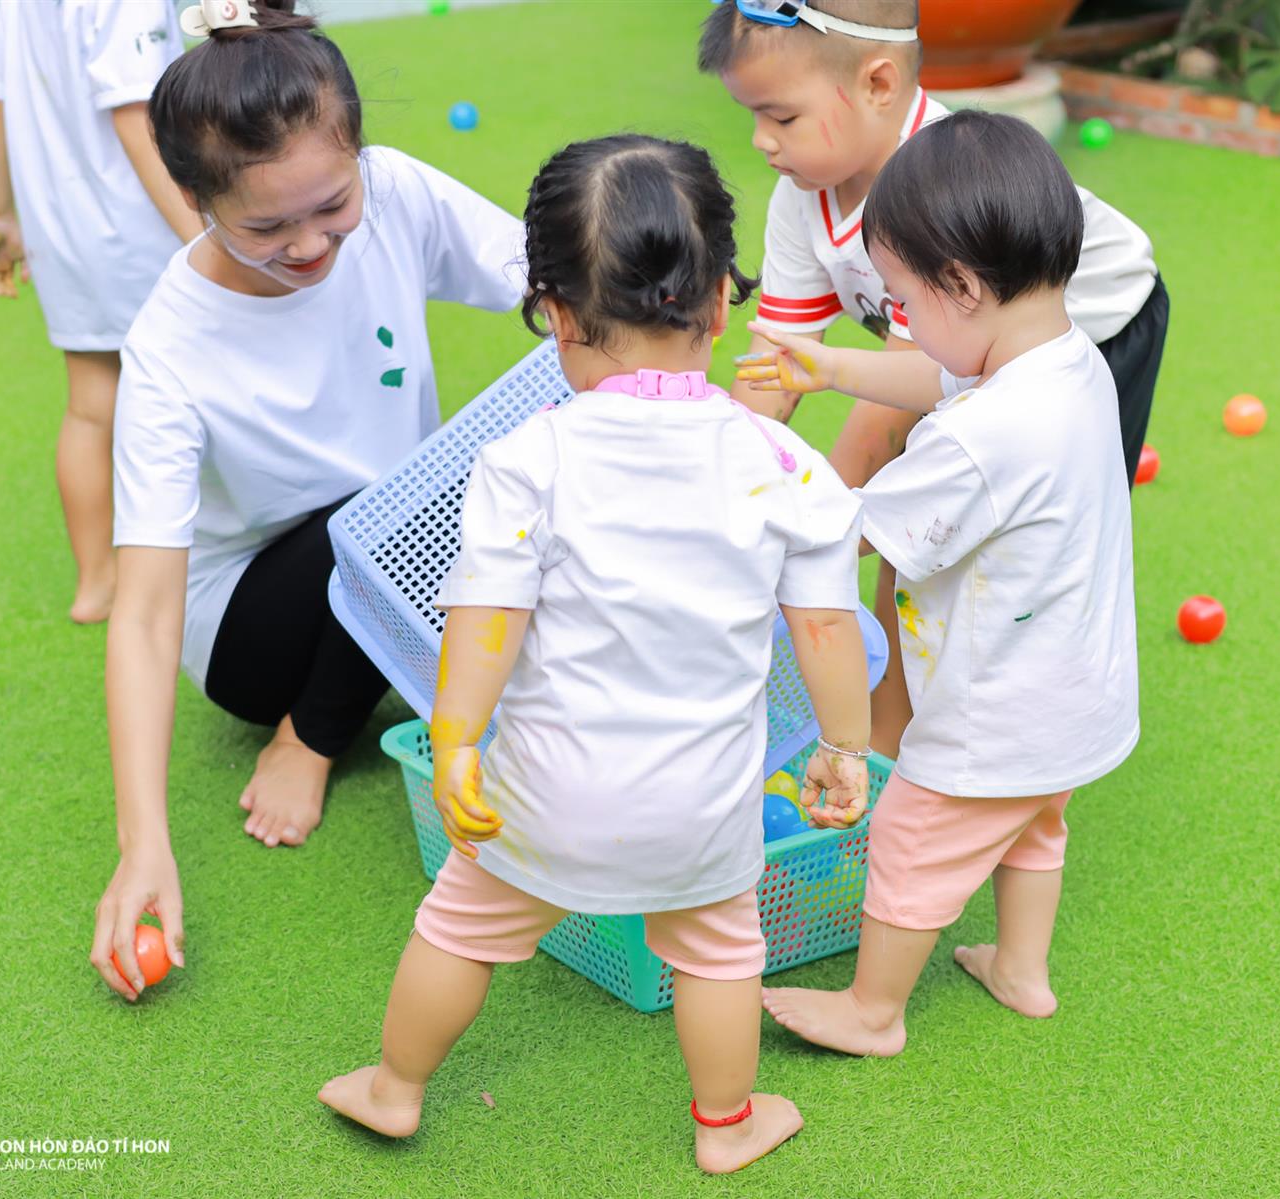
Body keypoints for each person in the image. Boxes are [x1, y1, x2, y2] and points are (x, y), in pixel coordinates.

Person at [318, 134, 873, 1175]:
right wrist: (843, 745)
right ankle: (726, 1123)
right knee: (719, 952)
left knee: (460, 927)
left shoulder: (529, 458)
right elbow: (827, 629)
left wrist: (455, 743)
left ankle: (394, 1087)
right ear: (720, 305)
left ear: (557, 314)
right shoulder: (786, 466)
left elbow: (485, 619)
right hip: (700, 807)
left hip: (539, 798)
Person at [89, 0, 525, 1000]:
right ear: (194, 200)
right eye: (265, 226)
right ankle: (312, 734)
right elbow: (145, 615)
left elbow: (547, 282)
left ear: (359, 157)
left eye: (332, 204)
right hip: (255, 632)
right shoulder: (168, 348)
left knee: (452, 485)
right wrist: (142, 844)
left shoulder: (398, 193)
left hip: (408, 552)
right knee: (416, 496)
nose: (310, 244)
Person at [753, 112, 1141, 1056]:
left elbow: (849, 529)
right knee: (1035, 823)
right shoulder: (1067, 363)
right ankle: (1021, 969)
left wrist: (759, 494)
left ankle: (872, 1011)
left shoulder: (979, 440)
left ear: (962, 286)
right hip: (1074, 695)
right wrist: (833, 366)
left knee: (911, 840)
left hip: (992, 710)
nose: (900, 322)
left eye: (901, 301)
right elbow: (944, 378)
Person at [699, 0, 1166, 757]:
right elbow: (777, 362)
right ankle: (897, 731)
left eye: (781, 116)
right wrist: (717, 471)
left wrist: (800, 534)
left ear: (880, 83)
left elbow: (886, 421)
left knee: (973, 545)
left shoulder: (936, 195)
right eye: (752, 115)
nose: (762, 140)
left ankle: (927, 743)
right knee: (921, 527)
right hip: (953, 349)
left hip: (1094, 335)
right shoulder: (803, 196)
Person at [0, 0, 202, 624]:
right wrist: (203, 238)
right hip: (139, 233)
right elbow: (134, 115)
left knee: (89, 406)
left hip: (59, 231)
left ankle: (97, 581)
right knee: (192, 394)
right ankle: (194, 565)